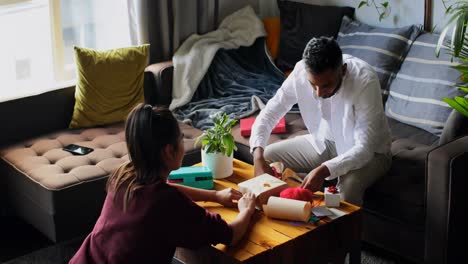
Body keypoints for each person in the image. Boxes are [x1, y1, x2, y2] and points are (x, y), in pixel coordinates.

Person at [69, 104, 256, 264]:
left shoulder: (125, 174)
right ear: (168, 151)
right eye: (181, 140)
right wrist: (246, 209)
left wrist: (214, 196)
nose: (183, 146)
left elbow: (163, 191)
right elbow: (230, 235)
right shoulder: (166, 203)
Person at [250, 36, 392, 206]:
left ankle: (344, 231)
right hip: (325, 143)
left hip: (372, 154)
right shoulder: (301, 71)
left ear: (343, 70)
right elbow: (269, 113)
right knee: (267, 156)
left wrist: (325, 169)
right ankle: (286, 217)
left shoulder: (365, 80)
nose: (318, 93)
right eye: (313, 85)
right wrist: (257, 155)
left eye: (326, 85)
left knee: (346, 191)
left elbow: (364, 148)